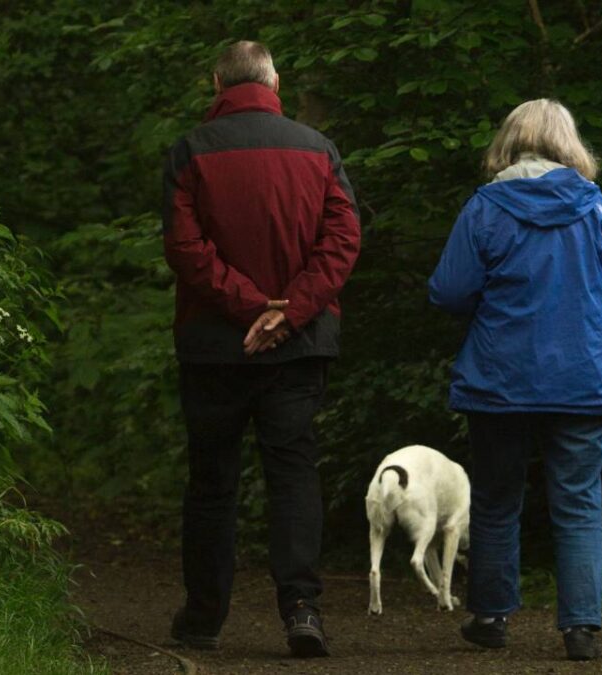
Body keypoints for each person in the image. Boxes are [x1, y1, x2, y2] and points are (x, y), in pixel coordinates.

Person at [161, 40, 360, 658]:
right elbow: (344, 238)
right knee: (294, 474)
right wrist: (288, 312)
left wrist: (254, 309)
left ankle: (203, 619)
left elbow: (185, 249)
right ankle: (301, 609)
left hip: (214, 345)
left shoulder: (191, 150)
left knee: (213, 481)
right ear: (274, 81)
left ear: (216, 80)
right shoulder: (318, 148)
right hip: (298, 347)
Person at [428, 99, 602, 662]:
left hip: (501, 378)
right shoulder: (595, 209)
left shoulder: (485, 208)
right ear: (569, 145)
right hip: (582, 376)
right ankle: (581, 631)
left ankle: (492, 617)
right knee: (578, 502)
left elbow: (448, 290)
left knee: (497, 500)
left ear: (510, 142)